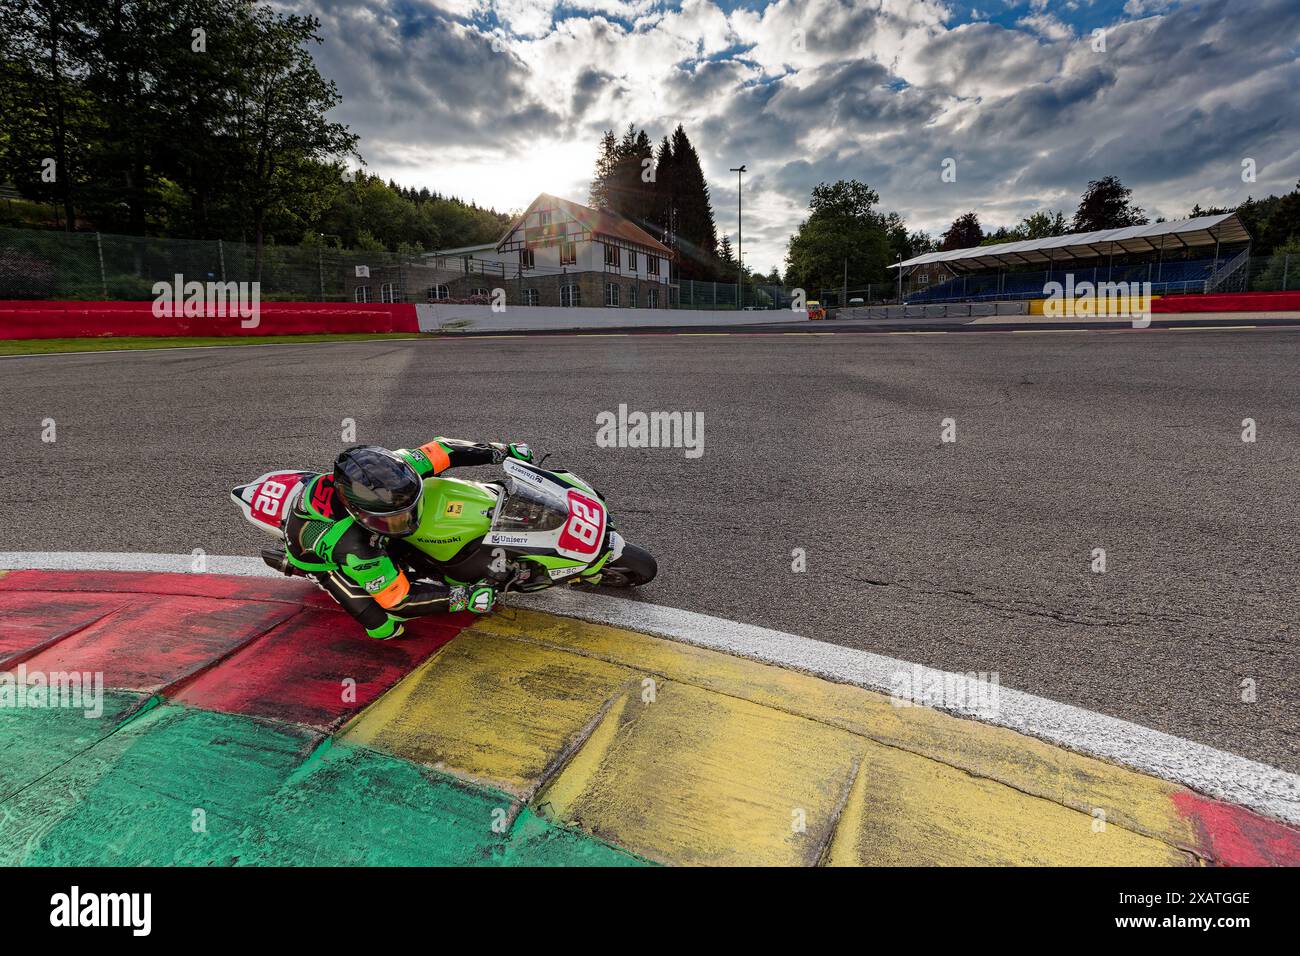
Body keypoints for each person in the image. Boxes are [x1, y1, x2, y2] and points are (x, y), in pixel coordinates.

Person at [281, 438, 532, 640]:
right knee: (385, 628)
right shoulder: (354, 546)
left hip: (359, 519)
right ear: (359, 514)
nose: (408, 521)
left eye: (409, 511)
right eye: (394, 519)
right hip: (316, 555)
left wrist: (502, 451)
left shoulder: (401, 467)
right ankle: (323, 576)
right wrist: (464, 598)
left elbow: (445, 449)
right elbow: (399, 601)